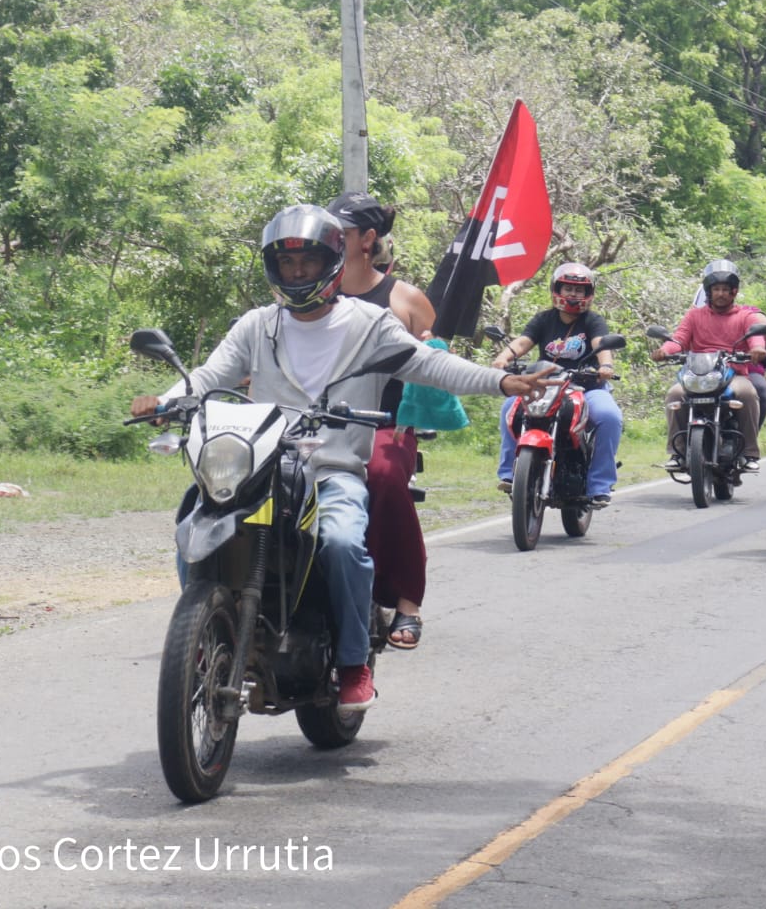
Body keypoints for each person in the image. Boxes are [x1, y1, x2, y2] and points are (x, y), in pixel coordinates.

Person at [131, 204, 548, 712]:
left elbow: (432, 365)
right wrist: (166, 401)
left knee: (344, 542)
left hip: (331, 472)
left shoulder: (369, 324)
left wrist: (502, 381)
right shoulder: (257, 326)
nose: (297, 272)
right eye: (287, 263)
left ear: (330, 263)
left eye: (307, 261)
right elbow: (208, 376)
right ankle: (205, 636)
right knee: (195, 527)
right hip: (260, 468)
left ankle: (353, 663)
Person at [328, 191, 435, 651]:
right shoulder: (307, 287)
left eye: (340, 232)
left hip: (385, 424)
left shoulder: (406, 299)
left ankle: (407, 602)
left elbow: (432, 368)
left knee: (384, 475)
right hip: (313, 423)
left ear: (367, 239)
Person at [492, 262, 623, 506]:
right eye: (568, 288)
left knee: (609, 417)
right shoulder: (544, 319)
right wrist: (503, 358)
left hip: (587, 387)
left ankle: (599, 485)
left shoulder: (592, 321)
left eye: (579, 290)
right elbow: (523, 342)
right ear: (557, 290)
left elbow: (600, 344)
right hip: (546, 385)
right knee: (510, 407)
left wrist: (605, 366)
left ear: (588, 293)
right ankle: (510, 473)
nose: (573, 294)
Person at [656, 259, 766, 471]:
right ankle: (677, 453)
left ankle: (749, 453)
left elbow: (756, 338)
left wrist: (757, 348)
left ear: (734, 292)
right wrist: (665, 351)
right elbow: (679, 339)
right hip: (697, 374)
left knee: (748, 394)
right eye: (716, 289)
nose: (721, 294)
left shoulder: (746, 316)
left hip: (733, 375)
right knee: (674, 394)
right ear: (708, 291)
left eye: (725, 290)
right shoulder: (694, 315)